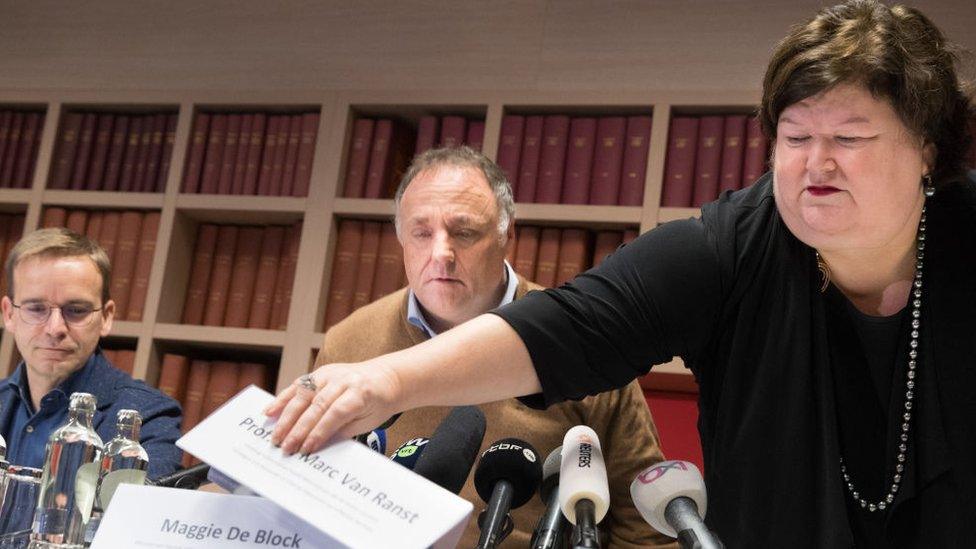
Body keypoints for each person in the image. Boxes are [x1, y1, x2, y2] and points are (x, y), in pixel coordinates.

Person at [268, 1, 975, 545]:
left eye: (848, 138)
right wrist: (386, 379)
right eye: (795, 137)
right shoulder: (733, 247)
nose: (816, 163)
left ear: (926, 148)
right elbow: (575, 324)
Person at [314, 146, 674, 547]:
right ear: (400, 237)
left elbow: (646, 528)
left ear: (508, 236)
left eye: (464, 232)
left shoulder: (578, 341)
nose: (441, 254)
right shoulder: (349, 344)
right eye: (421, 232)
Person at [0, 228, 182, 480]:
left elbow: (136, 515)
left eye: (76, 310)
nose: (55, 329)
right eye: (36, 308)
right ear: (9, 314)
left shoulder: (148, 416)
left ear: (106, 317)